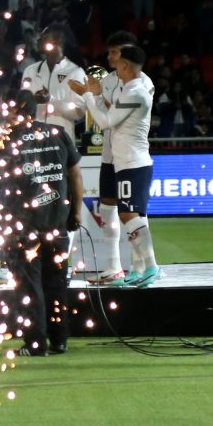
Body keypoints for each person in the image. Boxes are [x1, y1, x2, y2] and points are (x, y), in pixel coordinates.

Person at [0, 90, 82, 356]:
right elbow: (75, 175)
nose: (3, 115)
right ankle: (59, 340)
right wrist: (76, 212)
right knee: (56, 282)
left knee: (30, 285)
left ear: (16, 109)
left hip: (25, 226)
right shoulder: (58, 133)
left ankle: (35, 343)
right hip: (57, 220)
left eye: (6, 109)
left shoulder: (7, 139)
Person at [71, 45, 160, 288]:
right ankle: (139, 269)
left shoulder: (136, 92)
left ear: (125, 66)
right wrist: (96, 96)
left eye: (118, 62)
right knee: (129, 214)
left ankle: (151, 266)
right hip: (125, 162)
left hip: (133, 162)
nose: (114, 66)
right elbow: (110, 114)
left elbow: (105, 122)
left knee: (129, 214)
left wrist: (88, 95)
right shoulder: (129, 90)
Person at [20, 24, 87, 142]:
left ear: (59, 40)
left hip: (62, 144)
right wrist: (32, 101)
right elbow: (22, 107)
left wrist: (51, 101)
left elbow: (79, 113)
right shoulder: (30, 71)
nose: (38, 39)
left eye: (44, 36)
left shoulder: (75, 72)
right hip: (35, 143)